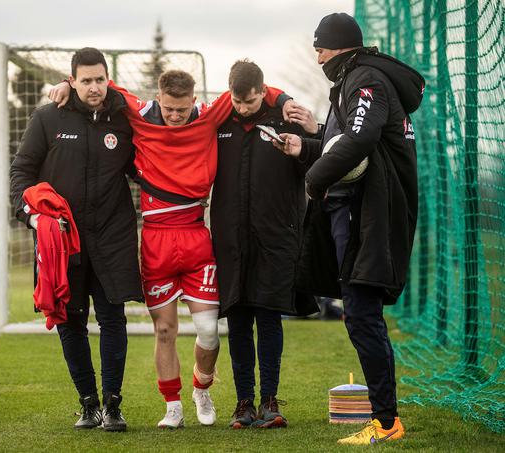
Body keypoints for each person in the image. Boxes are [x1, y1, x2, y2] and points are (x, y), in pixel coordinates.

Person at [49, 70, 288, 429]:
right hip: (157, 240)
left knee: (209, 330)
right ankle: (173, 405)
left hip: (195, 237)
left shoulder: (210, 115)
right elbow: (100, 88)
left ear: (194, 100)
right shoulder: (141, 113)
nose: (175, 116)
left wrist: (286, 101)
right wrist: (66, 85)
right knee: (165, 331)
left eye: (182, 109)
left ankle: (201, 388)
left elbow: (257, 89)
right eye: (169, 109)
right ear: (159, 99)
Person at [277, 13, 424, 445]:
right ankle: (385, 418)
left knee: (361, 313)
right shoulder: (350, 81)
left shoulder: (366, 80)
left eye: (320, 48)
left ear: (338, 47)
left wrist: (313, 178)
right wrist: (307, 145)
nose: (317, 55)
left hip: (370, 216)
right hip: (355, 215)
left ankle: (385, 422)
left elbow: (360, 140)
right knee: (359, 314)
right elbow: (345, 142)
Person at [10, 47, 143, 432]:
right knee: (71, 322)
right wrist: (30, 215)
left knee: (113, 319)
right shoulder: (48, 117)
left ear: (108, 79)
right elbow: (22, 170)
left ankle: (113, 405)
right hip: (63, 239)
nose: (94, 87)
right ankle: (88, 403)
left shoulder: (124, 118)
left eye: (100, 79)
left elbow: (148, 165)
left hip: (113, 234)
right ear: (72, 81)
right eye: (85, 80)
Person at [210, 60, 321, 429]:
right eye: (238, 102)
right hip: (231, 240)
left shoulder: (286, 118)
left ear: (263, 91)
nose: (243, 108)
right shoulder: (219, 121)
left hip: (276, 238)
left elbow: (323, 154)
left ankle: (270, 401)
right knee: (238, 322)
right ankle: (243, 404)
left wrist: (304, 143)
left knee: (269, 319)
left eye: (251, 101)